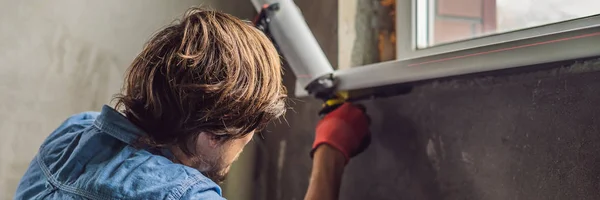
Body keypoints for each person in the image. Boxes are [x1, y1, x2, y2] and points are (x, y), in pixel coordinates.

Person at [14, 7, 369, 200]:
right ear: (212, 135)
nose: (246, 144)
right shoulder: (180, 195)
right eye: (248, 134)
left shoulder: (73, 131)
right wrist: (331, 154)